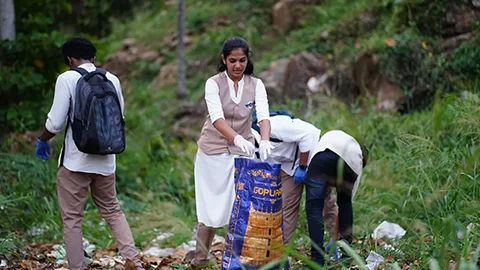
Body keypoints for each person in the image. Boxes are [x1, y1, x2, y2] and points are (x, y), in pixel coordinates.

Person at [35, 37, 144, 270]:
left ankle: (77, 267)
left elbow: (55, 123)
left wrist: (42, 140)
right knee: (113, 211)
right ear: (94, 58)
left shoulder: (67, 78)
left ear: (70, 60)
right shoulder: (111, 79)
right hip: (106, 161)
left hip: (75, 162)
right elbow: (119, 119)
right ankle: (133, 261)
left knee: (73, 219)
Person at [192, 36, 273, 269]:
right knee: (210, 209)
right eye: (233, 60)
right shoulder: (213, 83)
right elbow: (217, 118)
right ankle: (200, 260)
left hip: (242, 154)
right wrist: (236, 137)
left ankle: (234, 262)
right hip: (213, 153)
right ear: (224, 60)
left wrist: (264, 140)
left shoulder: (255, 84)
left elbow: (264, 114)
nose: (238, 65)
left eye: (242, 60)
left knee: (240, 209)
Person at [251, 114, 339, 251]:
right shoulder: (250, 148)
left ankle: (337, 241)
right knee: (286, 206)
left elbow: (308, 135)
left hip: (312, 155)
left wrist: (303, 167)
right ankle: (282, 252)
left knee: (326, 202)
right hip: (289, 165)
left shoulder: (273, 127)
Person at [303, 130, 368, 266]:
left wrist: (334, 236)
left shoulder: (332, 137)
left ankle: (317, 259)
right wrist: (335, 237)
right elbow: (344, 207)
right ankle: (346, 256)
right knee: (345, 203)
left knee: (314, 207)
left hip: (322, 157)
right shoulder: (357, 161)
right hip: (350, 162)